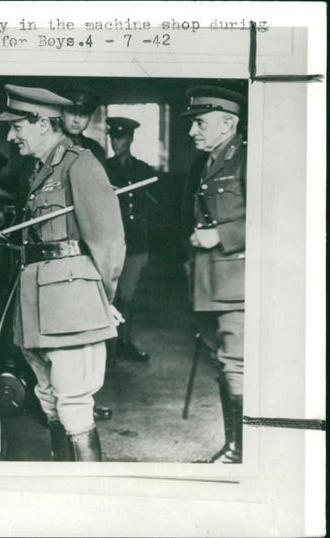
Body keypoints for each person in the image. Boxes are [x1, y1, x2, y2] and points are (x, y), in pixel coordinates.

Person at [0, 84, 125, 461]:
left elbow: (109, 242)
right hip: (38, 306)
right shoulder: (40, 170)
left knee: (74, 403)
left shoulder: (80, 163)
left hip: (71, 305)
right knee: (49, 400)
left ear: (40, 123)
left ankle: (88, 501)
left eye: (16, 126)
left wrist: (102, 299)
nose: (10, 135)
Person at [181, 86, 247, 464]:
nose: (193, 132)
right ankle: (233, 446)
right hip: (208, 282)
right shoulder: (205, 162)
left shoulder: (246, 159)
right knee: (223, 365)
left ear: (228, 123)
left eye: (200, 123)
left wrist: (219, 234)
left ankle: (240, 451)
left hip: (236, 283)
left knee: (236, 365)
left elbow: (276, 216)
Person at [104, 117, 157, 363]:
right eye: (114, 137)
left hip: (136, 243)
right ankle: (106, 350)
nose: (117, 142)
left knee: (128, 296)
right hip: (110, 242)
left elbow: (154, 205)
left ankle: (124, 342)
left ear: (131, 139)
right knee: (107, 296)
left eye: (122, 137)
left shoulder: (143, 170)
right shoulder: (101, 169)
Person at [59, 89, 107, 163]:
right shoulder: (48, 144)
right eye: (71, 112)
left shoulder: (96, 150)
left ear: (90, 118)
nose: (77, 120)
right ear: (61, 113)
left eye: (83, 114)